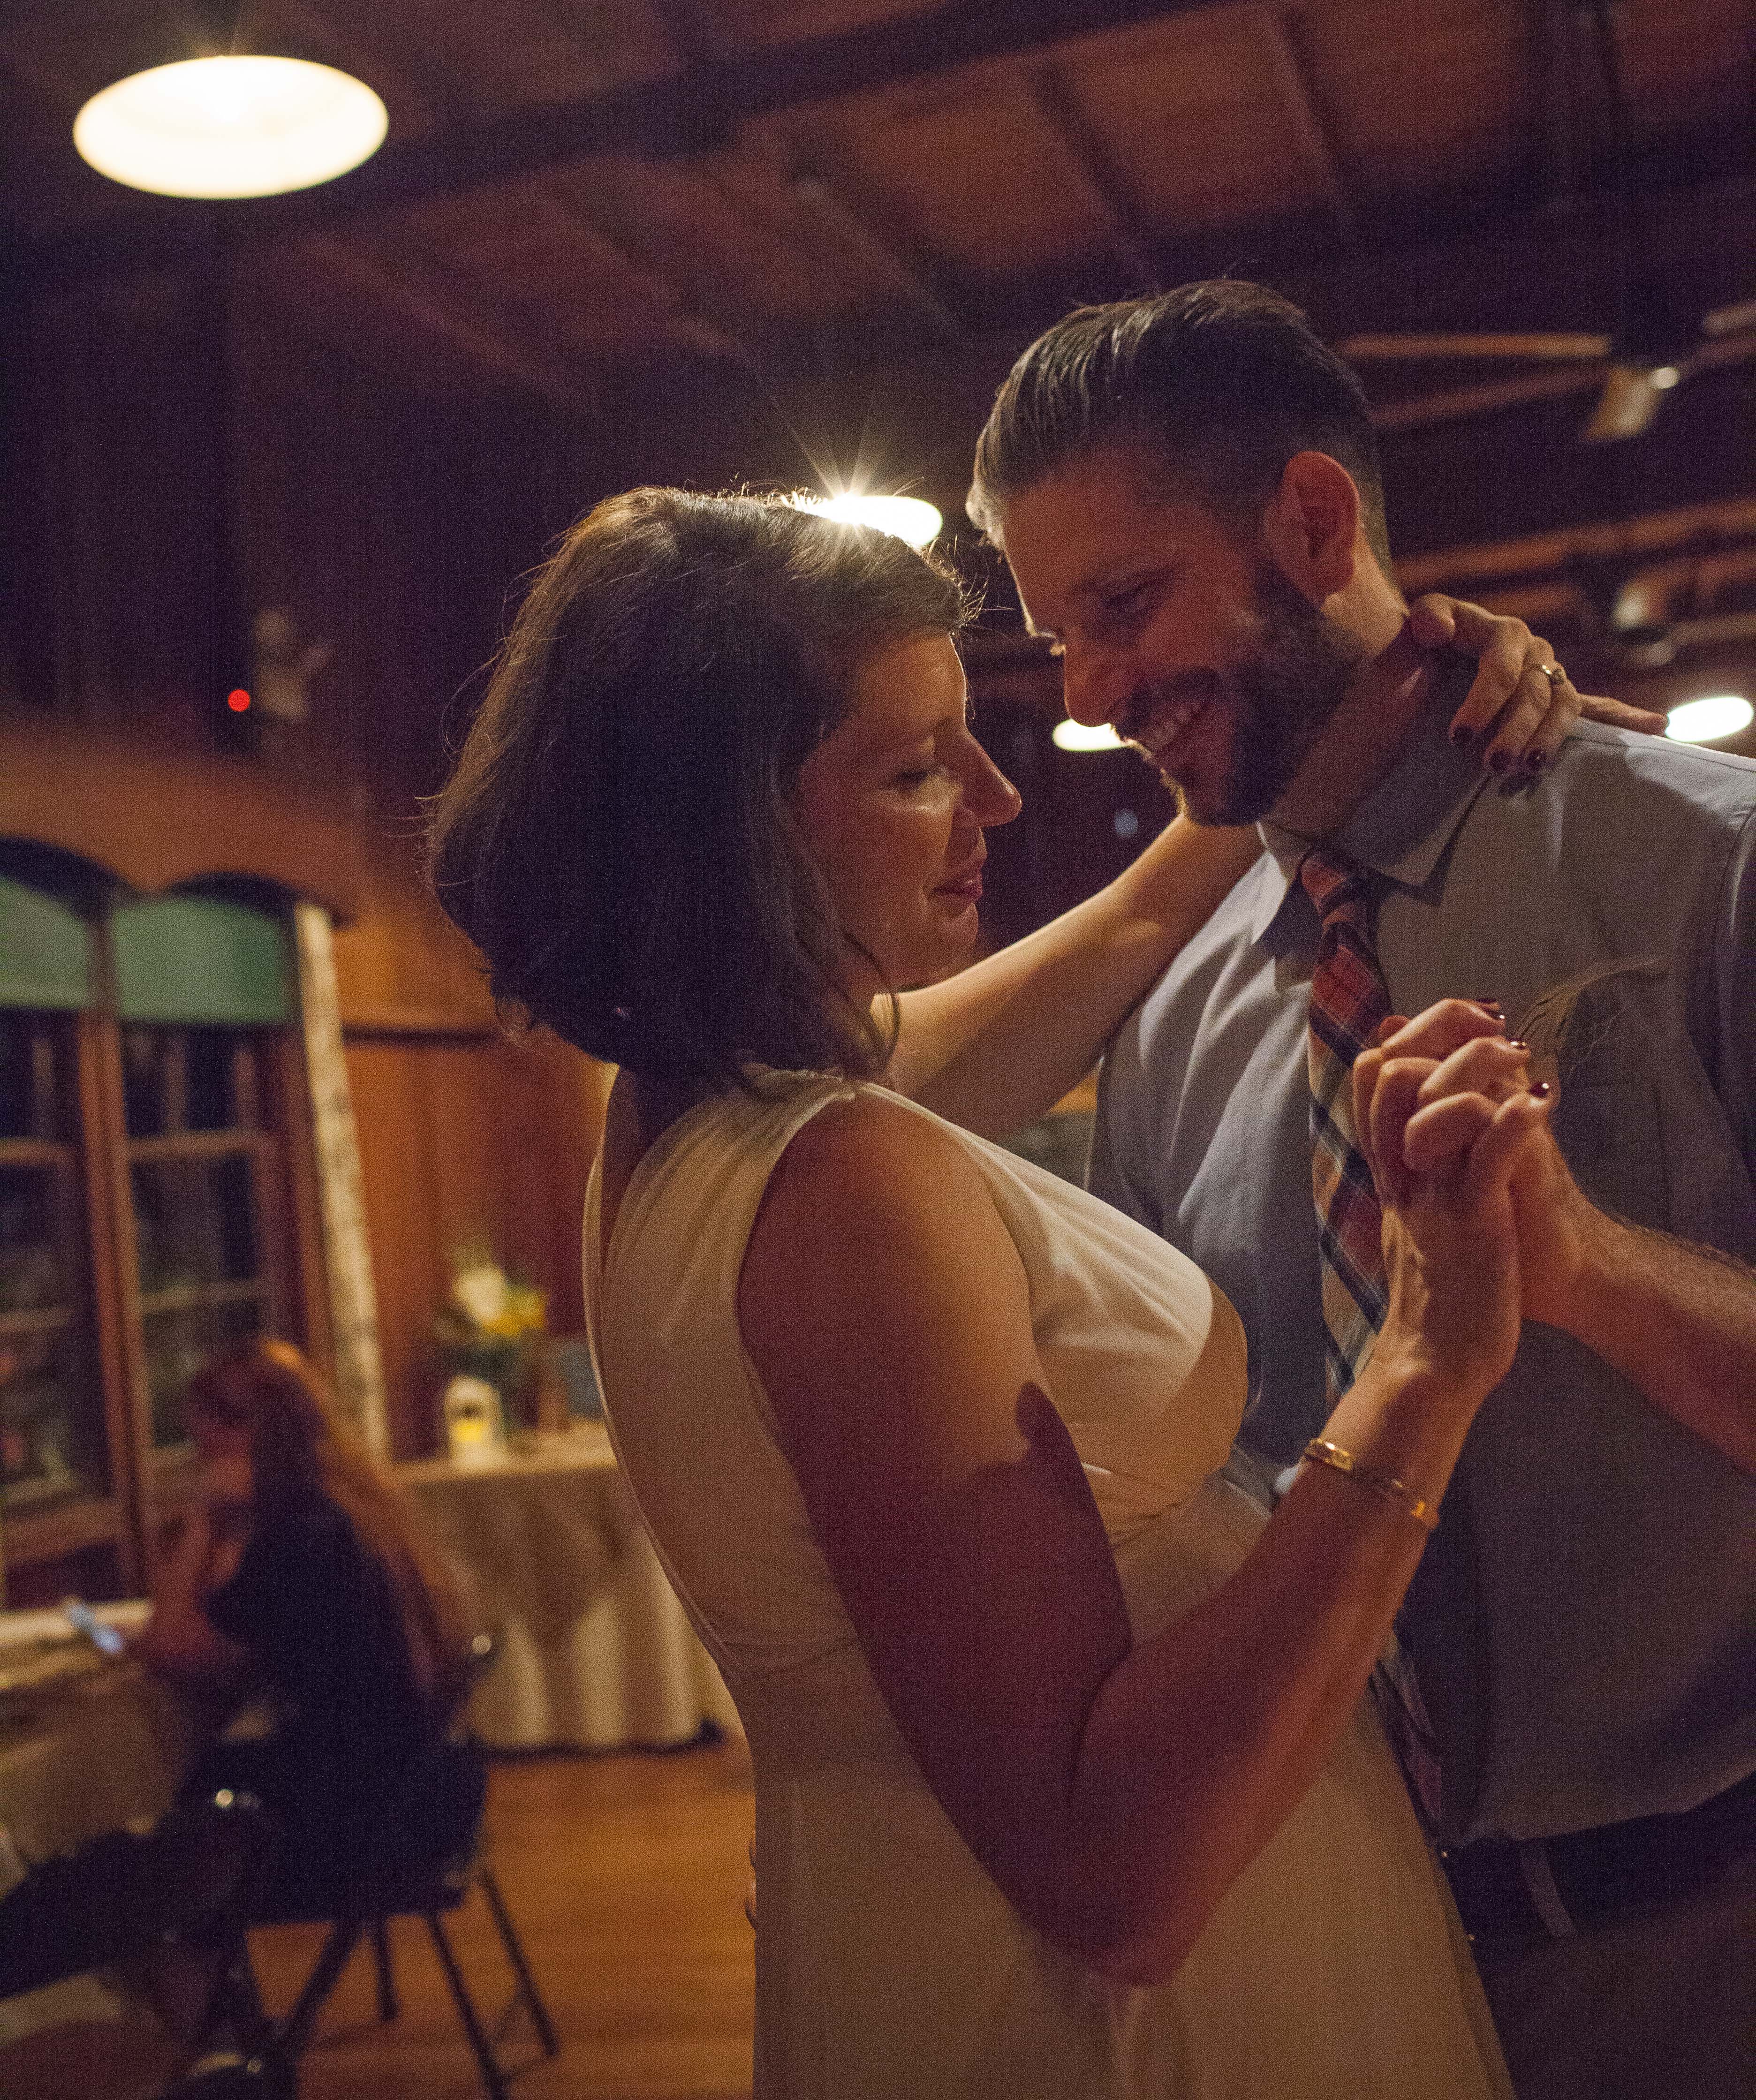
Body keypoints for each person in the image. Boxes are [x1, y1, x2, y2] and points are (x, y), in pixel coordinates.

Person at [426, 485, 1713, 2100]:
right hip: (1138, 2016)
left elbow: (1130, 923)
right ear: (733, 834)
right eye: (915, 768)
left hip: (933, 1930)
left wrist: (1363, 691)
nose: (997, 794)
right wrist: (1428, 1360)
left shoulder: (685, 1114)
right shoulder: (846, 1187)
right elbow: (1118, 1876)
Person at [969, 280, 1756, 2100]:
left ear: (1313, 522)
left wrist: (1586, 1267)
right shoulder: (1168, 1029)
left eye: (1123, 606)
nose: (1083, 695)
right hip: (1343, 1968)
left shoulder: (1704, 872)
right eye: (1058, 637)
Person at [138, 1338, 479, 1917]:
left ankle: (202, 1981)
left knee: (163, 1853)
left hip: (364, 1823)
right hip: (428, 1793)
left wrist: (204, 1520)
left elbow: (169, 1648)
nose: (202, 1464)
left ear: (238, 1439)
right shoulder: (351, 1508)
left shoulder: (299, 1538)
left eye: (203, 1449)